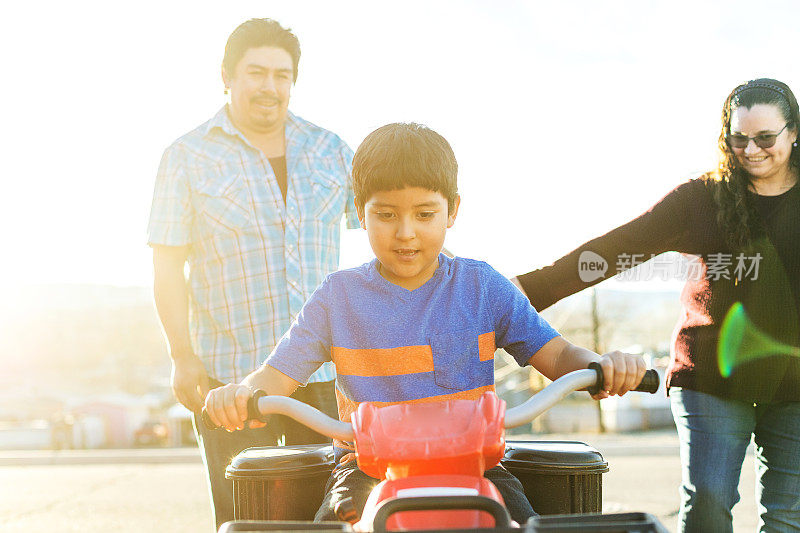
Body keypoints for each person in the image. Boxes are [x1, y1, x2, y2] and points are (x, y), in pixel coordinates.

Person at [204, 122, 647, 525]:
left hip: (477, 460)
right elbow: (273, 377)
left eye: (424, 213)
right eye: (386, 214)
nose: (406, 233)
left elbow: (560, 355)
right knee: (335, 524)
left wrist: (603, 365)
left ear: (452, 211)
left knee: (521, 524)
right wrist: (241, 395)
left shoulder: (482, 286)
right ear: (361, 213)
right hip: (366, 466)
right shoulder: (338, 297)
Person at [513, 78, 800, 532]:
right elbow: (616, 248)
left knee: (789, 518)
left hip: (794, 384)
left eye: (765, 138)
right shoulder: (703, 199)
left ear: (793, 132)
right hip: (712, 379)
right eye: (738, 138)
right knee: (707, 503)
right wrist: (523, 291)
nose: (751, 150)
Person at [147, 18, 359, 529]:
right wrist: (181, 357)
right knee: (244, 518)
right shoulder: (185, 157)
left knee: (331, 517)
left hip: (322, 377)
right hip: (229, 381)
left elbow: (383, 232)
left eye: (282, 75)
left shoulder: (331, 150)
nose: (270, 86)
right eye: (256, 72)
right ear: (227, 75)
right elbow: (167, 267)